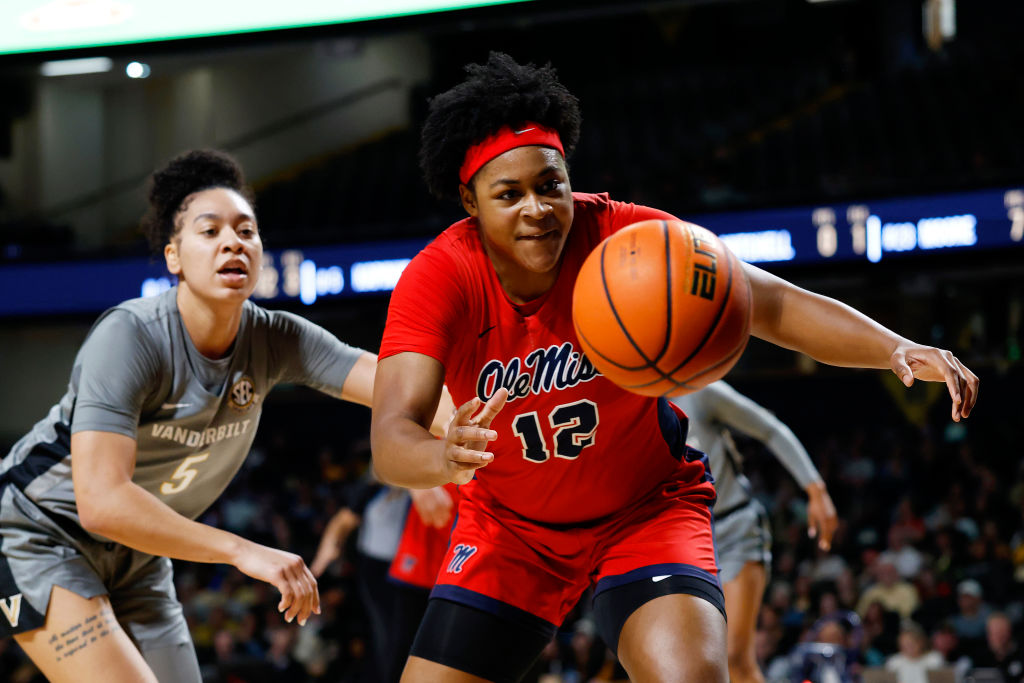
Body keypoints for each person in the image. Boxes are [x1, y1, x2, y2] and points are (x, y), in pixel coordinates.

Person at [370, 52, 978, 683]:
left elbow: (769, 302)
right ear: (469, 200)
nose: (538, 208)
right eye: (509, 194)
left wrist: (893, 348)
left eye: (550, 185)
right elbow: (391, 439)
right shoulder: (439, 277)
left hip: (644, 512)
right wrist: (443, 457)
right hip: (511, 529)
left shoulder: (626, 237)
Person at [0, 149, 444, 683]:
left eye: (246, 230)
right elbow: (102, 503)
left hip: (139, 554)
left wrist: (463, 437)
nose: (233, 242)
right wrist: (242, 551)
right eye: (210, 231)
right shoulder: (131, 335)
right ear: (174, 257)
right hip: (40, 532)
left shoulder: (278, 338)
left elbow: (403, 388)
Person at [673, 380, 838, 683]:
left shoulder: (700, 391)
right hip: (681, 543)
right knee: (693, 663)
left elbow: (769, 428)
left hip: (734, 526)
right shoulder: (633, 407)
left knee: (734, 657)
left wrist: (816, 488)